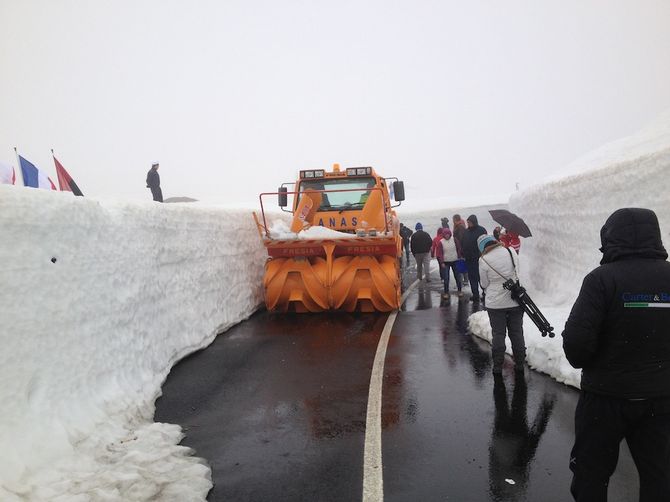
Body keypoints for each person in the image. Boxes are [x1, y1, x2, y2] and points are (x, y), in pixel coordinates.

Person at [562, 208, 670, 502]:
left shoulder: (601, 280)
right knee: (659, 477)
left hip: (605, 399)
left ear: (609, 238)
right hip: (661, 399)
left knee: (591, 477)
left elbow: (576, 346)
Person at [478, 234, 525, 374]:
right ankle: (520, 363)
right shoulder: (510, 251)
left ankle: (498, 366)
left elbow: (484, 283)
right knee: (517, 333)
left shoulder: (483, 260)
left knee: (498, 334)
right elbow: (517, 272)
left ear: (482, 248)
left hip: (495, 304)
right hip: (515, 300)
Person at [461, 215, 487, 302]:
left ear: (474, 222)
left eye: (469, 222)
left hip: (479, 259)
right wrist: (463, 253)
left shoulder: (481, 230)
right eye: (467, 222)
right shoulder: (466, 231)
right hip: (469, 259)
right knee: (472, 278)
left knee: (481, 277)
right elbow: (463, 242)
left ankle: (485, 293)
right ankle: (475, 294)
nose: (468, 224)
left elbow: (486, 243)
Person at [436, 227, 463, 299]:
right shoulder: (441, 242)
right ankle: (446, 292)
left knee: (458, 277)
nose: (447, 235)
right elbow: (439, 253)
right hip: (446, 262)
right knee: (446, 278)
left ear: (450, 234)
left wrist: (459, 257)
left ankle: (460, 290)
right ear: (443, 235)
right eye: (445, 234)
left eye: (448, 234)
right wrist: (442, 262)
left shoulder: (454, 239)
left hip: (455, 261)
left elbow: (458, 248)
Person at [453, 214, 469, 286]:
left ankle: (463, 281)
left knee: (461, 265)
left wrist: (460, 250)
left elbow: (460, 239)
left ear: (456, 220)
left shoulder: (459, 227)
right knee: (462, 265)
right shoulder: (460, 226)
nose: (453, 221)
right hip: (461, 249)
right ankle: (464, 280)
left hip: (460, 250)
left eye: (453, 220)